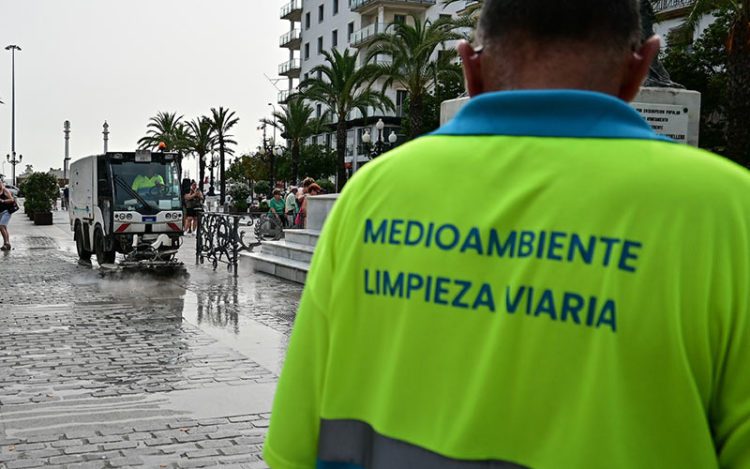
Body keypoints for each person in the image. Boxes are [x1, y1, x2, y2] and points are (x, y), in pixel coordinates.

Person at [264, 1, 750, 468]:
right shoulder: (730, 211)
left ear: (469, 68)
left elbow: (294, 447)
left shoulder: (369, 197)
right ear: (642, 65)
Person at [0, 180, 16, 251]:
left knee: (1, 226)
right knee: (4, 228)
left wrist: (3, 201)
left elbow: (12, 199)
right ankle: (7, 244)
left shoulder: (5, 190)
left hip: (6, 212)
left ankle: (6, 243)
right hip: (0, 212)